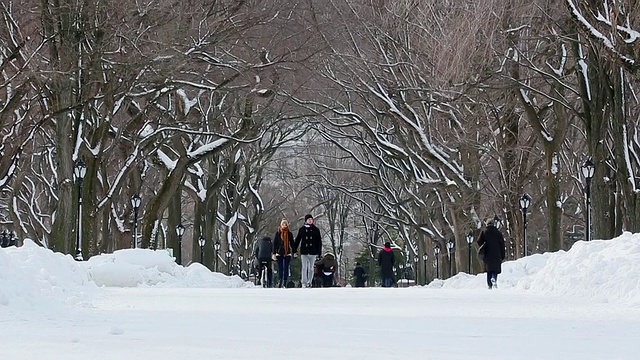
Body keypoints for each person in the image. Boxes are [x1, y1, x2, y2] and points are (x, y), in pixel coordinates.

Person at [293, 214, 322, 288]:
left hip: (313, 252)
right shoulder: (302, 229)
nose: (310, 221)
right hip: (304, 251)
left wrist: (319, 252)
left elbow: (319, 241)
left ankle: (309, 281)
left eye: (311, 219)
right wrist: (294, 250)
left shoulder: (316, 230)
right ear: (306, 220)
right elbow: (298, 240)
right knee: (304, 267)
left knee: (311, 268)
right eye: (309, 219)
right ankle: (304, 282)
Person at [477, 219, 506, 289]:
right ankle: (494, 279)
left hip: (487, 253)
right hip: (497, 254)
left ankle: (489, 285)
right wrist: (502, 255)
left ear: (487, 224)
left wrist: (484, 245)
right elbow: (502, 244)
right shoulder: (498, 233)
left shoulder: (484, 232)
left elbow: (479, 241)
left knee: (489, 270)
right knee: (495, 269)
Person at [273, 218, 294, 288]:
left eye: (285, 224)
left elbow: (292, 243)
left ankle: (285, 281)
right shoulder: (278, 233)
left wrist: (294, 251)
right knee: (280, 268)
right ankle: (280, 280)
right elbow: (274, 243)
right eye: (283, 224)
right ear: (281, 225)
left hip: (287, 253)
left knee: (286, 267)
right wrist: (273, 253)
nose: (284, 225)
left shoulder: (289, 234)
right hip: (279, 253)